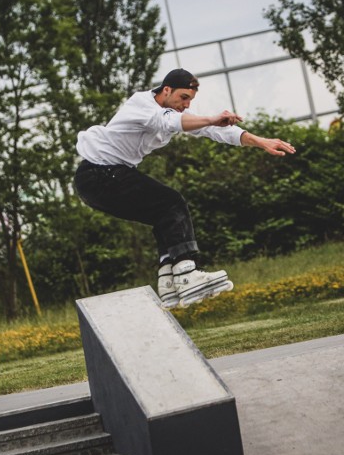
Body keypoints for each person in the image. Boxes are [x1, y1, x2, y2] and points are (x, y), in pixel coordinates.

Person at [74, 68, 296, 308]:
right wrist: (212, 117)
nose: (186, 105)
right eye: (183, 98)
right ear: (166, 90)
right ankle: (187, 273)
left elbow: (213, 130)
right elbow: (171, 121)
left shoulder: (177, 110)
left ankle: (168, 281)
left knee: (162, 215)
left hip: (104, 179)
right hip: (99, 174)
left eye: (190, 100)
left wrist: (260, 141)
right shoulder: (142, 104)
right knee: (171, 203)